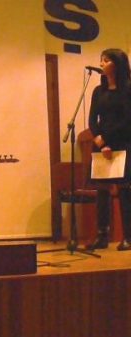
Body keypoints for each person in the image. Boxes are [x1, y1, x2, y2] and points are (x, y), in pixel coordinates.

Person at [86, 48, 131, 251]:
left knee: (124, 190)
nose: (101, 64)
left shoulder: (128, 89)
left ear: (117, 64)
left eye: (106, 60)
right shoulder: (98, 91)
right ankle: (101, 235)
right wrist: (99, 139)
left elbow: (127, 120)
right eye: (101, 60)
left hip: (123, 144)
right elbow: (92, 119)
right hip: (101, 145)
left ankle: (128, 237)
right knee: (102, 191)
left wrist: (107, 139)